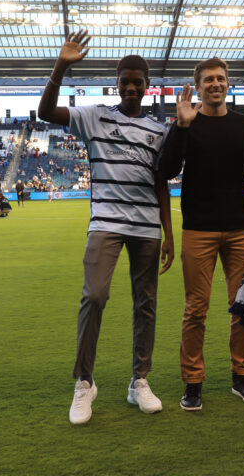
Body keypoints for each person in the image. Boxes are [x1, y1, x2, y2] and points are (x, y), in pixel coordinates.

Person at [38, 30, 174, 425]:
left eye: (138, 83)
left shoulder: (159, 131)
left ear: (147, 86)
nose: (131, 88)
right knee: (94, 296)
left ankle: (139, 380)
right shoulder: (95, 116)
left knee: (145, 304)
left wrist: (168, 232)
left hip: (147, 227)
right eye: (125, 82)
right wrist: (61, 66)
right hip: (106, 223)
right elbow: (46, 113)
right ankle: (84, 382)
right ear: (116, 84)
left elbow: (161, 184)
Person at [157, 55, 244, 412]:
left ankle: (242, 376)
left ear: (227, 83)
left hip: (239, 228)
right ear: (199, 86)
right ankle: (193, 383)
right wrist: (181, 126)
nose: (215, 84)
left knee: (243, 307)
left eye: (220, 78)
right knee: (196, 309)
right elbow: (167, 169)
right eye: (208, 79)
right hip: (198, 229)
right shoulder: (186, 123)